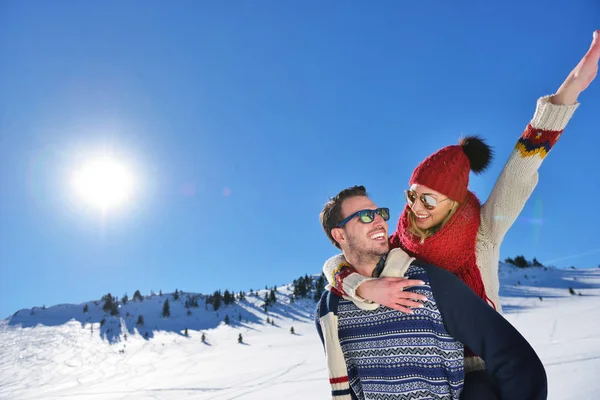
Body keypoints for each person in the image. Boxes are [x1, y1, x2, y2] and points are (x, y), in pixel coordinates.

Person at [321, 30, 600, 374]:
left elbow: (521, 167)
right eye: (412, 195)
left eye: (429, 199)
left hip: (486, 367)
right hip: (432, 374)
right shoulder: (399, 246)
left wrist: (569, 90)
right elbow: (336, 264)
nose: (416, 207)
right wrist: (364, 285)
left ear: (453, 204)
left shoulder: (482, 232)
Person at [315, 186, 547, 400]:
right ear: (340, 235)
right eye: (366, 216)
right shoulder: (330, 310)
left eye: (381, 213)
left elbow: (514, 358)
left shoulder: (426, 281)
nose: (380, 222)